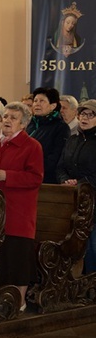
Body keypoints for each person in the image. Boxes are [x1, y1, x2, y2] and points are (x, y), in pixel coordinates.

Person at [0, 103, 44, 312]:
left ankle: (18, 301)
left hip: (18, 212)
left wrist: (6, 176)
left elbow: (35, 178)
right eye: (6, 116)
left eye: (13, 117)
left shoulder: (32, 147)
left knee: (17, 258)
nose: (7, 120)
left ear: (24, 123)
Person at [57, 99, 96, 275]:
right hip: (72, 198)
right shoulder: (73, 139)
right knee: (74, 242)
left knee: (93, 245)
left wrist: (80, 183)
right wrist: (65, 180)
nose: (84, 118)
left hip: (93, 199)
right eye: (82, 114)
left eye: (90, 114)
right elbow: (60, 166)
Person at [27, 86, 70, 184]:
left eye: (42, 101)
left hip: (46, 179)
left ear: (53, 106)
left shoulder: (61, 127)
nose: (37, 104)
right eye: (35, 101)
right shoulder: (30, 124)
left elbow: (56, 157)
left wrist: (32, 167)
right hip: (26, 175)